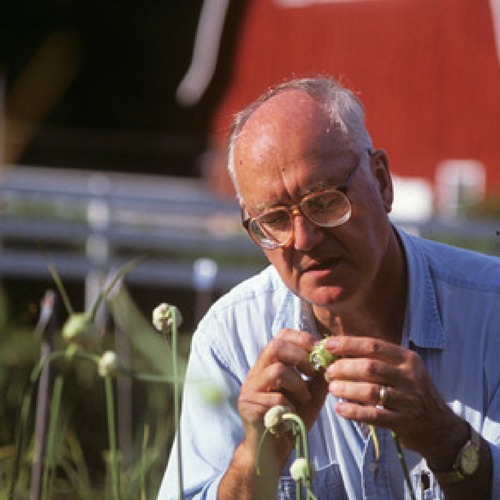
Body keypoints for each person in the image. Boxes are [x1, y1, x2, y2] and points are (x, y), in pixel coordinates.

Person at [158, 77, 500, 499]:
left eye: (324, 202)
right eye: (276, 220)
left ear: (382, 182)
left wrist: (449, 443)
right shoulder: (231, 339)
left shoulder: (490, 311)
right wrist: (255, 460)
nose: (303, 239)